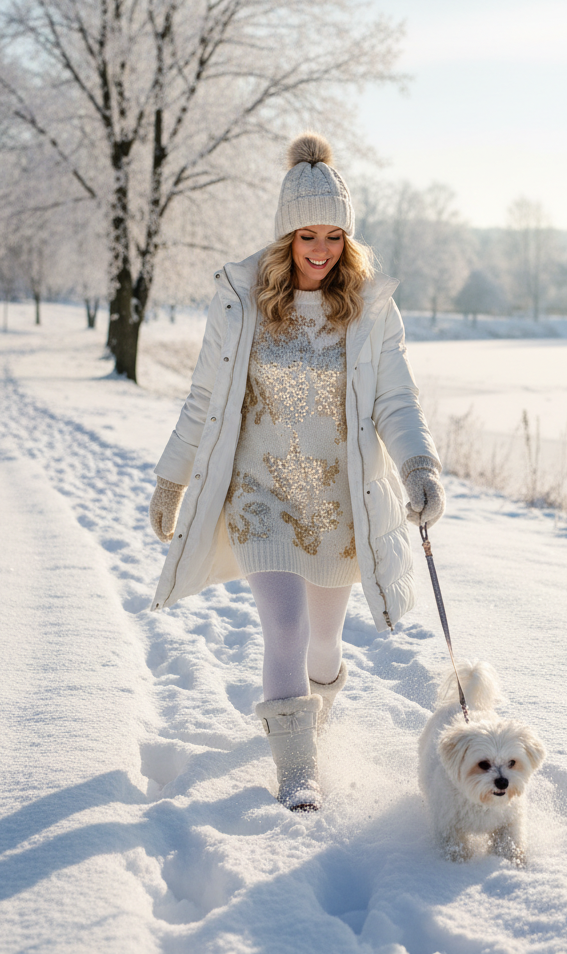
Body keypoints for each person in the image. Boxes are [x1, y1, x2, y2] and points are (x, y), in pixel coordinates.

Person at [149, 133, 445, 812]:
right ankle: (296, 775)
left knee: (322, 639)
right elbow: (204, 398)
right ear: (285, 236)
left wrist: (419, 466)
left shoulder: (370, 311)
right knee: (282, 627)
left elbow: (396, 400)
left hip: (337, 501)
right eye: (306, 234)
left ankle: (312, 719)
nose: (320, 249)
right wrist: (174, 478)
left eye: (334, 235)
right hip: (260, 496)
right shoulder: (242, 303)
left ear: (347, 239)